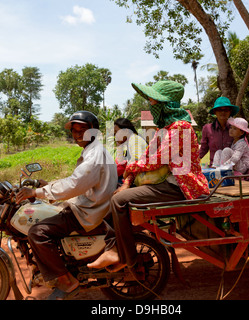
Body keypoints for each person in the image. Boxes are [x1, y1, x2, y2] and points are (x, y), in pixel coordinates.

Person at [87, 80, 210, 272]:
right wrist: (126, 182)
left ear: (165, 104)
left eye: (153, 102)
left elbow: (157, 160)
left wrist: (129, 172)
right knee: (115, 197)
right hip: (164, 184)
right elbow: (145, 158)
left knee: (119, 200)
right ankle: (113, 248)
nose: (150, 106)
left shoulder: (180, 127)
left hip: (179, 187)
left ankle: (126, 256)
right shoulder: (164, 130)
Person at [16, 111, 117, 300]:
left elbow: (75, 184)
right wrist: (49, 186)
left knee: (37, 232)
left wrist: (36, 192)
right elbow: (78, 181)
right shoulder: (93, 150)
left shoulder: (94, 154)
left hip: (89, 212)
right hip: (91, 205)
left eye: (83, 130)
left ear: (94, 130)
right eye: (75, 131)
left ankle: (67, 282)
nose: (78, 134)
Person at [199, 97, 240, 167]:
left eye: (226, 110)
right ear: (215, 111)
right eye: (219, 109)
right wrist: (190, 162)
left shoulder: (236, 128)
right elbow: (203, 150)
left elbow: (243, 147)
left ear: (230, 112)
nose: (223, 112)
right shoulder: (207, 129)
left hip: (232, 169)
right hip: (214, 169)